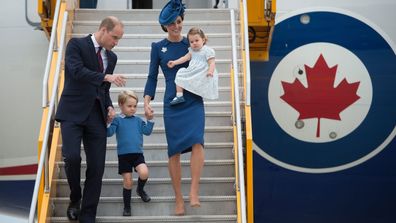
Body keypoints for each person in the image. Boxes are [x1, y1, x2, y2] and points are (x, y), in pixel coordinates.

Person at [55, 16, 126, 222]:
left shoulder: (111, 58)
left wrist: (110, 105)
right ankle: (75, 197)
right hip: (72, 112)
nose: (116, 43)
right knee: (72, 158)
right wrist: (105, 77)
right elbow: (76, 72)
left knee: (97, 166)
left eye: (119, 39)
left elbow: (103, 90)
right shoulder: (76, 45)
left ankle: (88, 214)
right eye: (114, 37)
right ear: (103, 30)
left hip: (96, 115)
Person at [144, 0, 205, 216]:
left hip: (194, 99)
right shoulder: (157, 47)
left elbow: (206, 62)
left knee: (198, 141)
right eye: (171, 23)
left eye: (178, 22)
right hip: (172, 101)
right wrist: (146, 101)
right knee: (175, 150)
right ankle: (179, 199)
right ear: (165, 25)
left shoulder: (192, 44)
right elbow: (152, 77)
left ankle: (194, 191)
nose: (176, 26)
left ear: (182, 21)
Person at [106, 90, 154, 216]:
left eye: (135, 106)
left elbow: (147, 131)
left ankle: (140, 189)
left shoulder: (138, 120)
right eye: (129, 106)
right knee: (127, 182)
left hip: (137, 154)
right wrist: (108, 122)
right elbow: (109, 133)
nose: (133, 109)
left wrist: (149, 119)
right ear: (121, 105)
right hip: (124, 156)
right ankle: (127, 207)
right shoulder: (117, 120)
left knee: (144, 172)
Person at [167, 27, 218, 105]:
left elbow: (212, 62)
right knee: (180, 73)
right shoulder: (191, 51)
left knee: (202, 79)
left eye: (197, 40)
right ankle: (179, 95)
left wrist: (210, 71)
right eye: (191, 41)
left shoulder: (207, 51)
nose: (194, 43)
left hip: (202, 72)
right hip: (192, 71)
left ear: (203, 40)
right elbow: (184, 58)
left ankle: (197, 90)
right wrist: (174, 62)